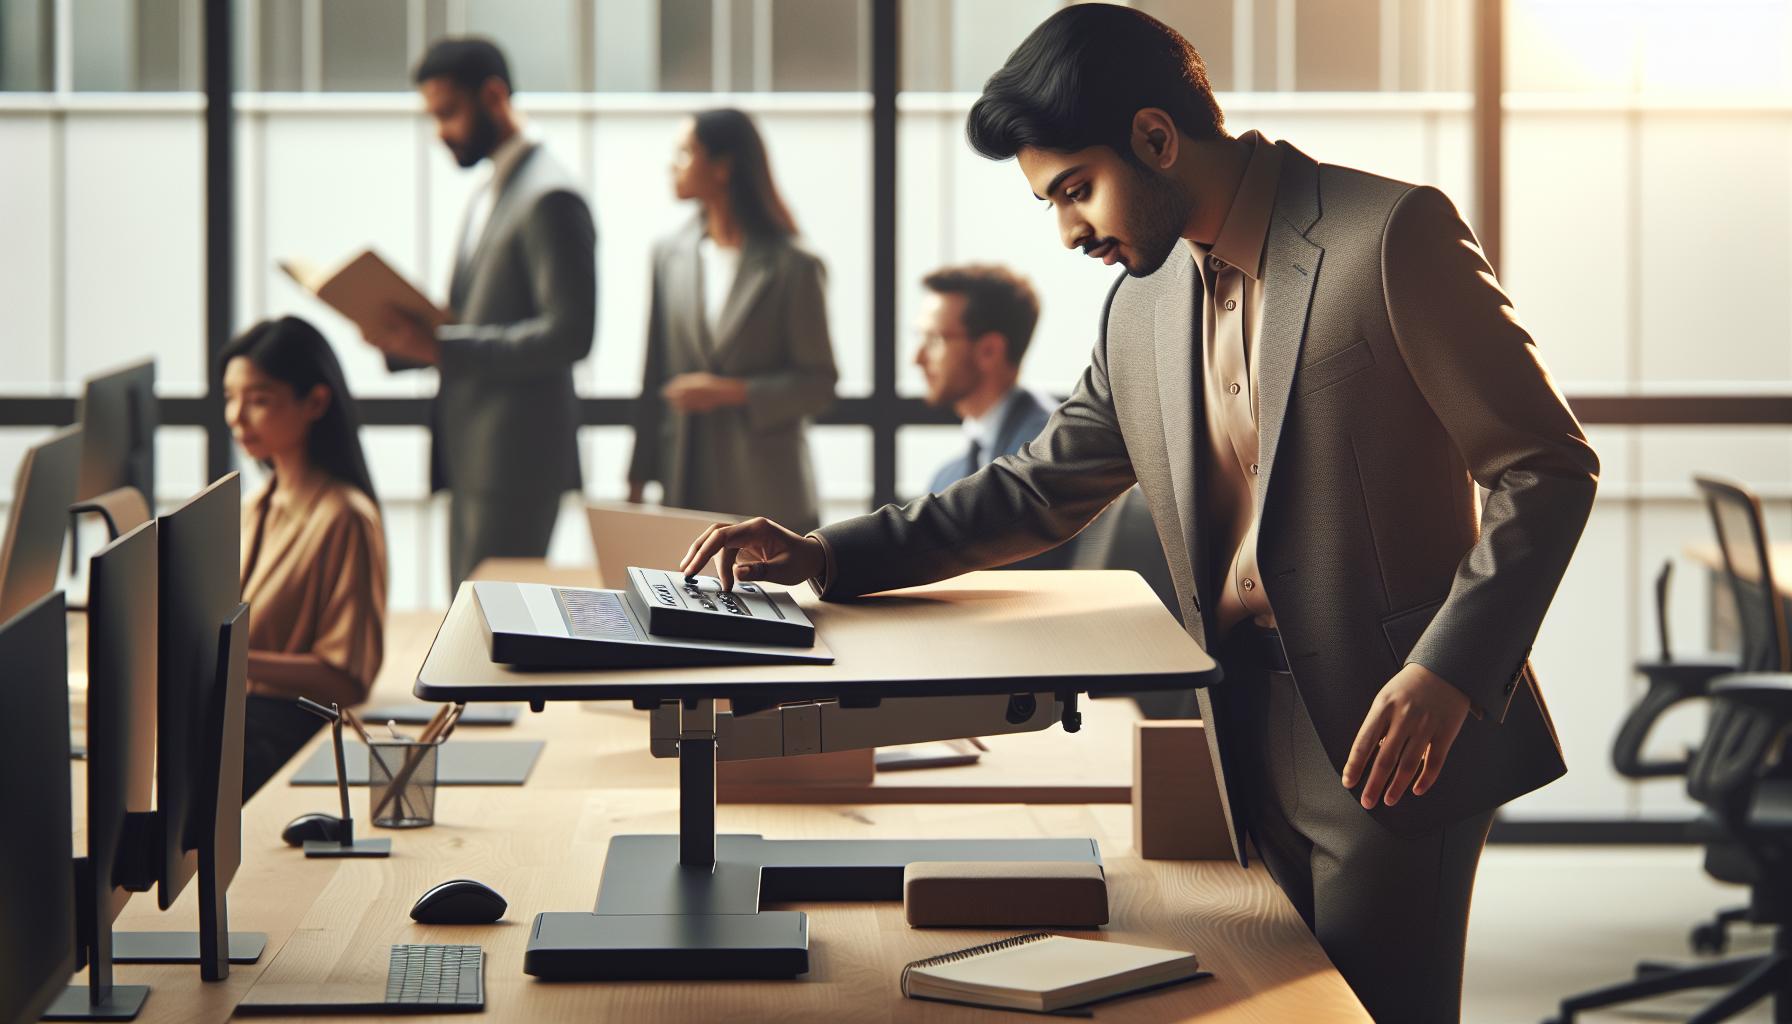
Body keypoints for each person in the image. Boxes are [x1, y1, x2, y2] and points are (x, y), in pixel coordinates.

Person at [676, 7, 1599, 1022]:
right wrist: (821, 552)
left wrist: (1450, 670)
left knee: (1377, 1013)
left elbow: (1544, 468)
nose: (1070, 229)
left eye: (1075, 189)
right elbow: (1033, 487)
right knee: (1267, 1005)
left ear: (1156, 139)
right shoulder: (1141, 305)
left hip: (1389, 732)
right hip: (1231, 721)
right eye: (1050, 202)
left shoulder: (1388, 236)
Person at [364, 37, 597, 588]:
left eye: (447, 112)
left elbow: (570, 335)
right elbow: (484, 315)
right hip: (477, 449)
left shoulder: (550, 196)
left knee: (491, 625)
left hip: (515, 459)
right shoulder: (494, 189)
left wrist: (441, 347)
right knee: (471, 618)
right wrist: (410, 341)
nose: (439, 131)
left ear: (493, 96)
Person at [627, 109, 838, 534]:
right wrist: (636, 477)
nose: (673, 165)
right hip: (685, 481)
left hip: (767, 489)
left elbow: (818, 384)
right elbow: (654, 371)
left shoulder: (793, 266)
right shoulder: (669, 255)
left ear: (723, 167)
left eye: (686, 152)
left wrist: (730, 393)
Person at [222, 316, 387, 799]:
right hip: (241, 720)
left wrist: (229, 660)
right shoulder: (255, 506)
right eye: (230, 398)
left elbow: (347, 679)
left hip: (283, 735)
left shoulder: (344, 518)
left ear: (315, 402)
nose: (237, 416)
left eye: (258, 400)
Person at [914, 264, 1051, 494]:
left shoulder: (1051, 454)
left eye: (935, 339)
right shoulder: (947, 478)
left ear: (989, 350)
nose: (917, 358)